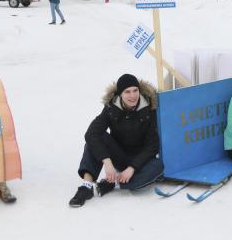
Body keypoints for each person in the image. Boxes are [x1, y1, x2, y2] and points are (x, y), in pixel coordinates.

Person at [69, 74, 164, 207]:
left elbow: (152, 146)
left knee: (158, 166)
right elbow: (91, 133)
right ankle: (86, 187)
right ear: (120, 94)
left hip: (140, 160)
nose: (133, 96)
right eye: (127, 92)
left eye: (135, 90)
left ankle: (113, 182)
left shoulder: (149, 108)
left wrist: (132, 168)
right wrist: (107, 162)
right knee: (95, 138)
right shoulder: (111, 107)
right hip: (118, 155)